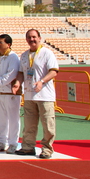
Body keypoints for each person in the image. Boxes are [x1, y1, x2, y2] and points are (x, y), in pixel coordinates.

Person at [16, 29, 59, 159]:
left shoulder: (47, 53)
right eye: (29, 37)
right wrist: (18, 83)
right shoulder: (24, 55)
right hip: (29, 95)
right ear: (26, 39)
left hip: (45, 95)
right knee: (29, 124)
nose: (32, 39)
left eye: (34, 37)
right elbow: (21, 72)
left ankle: (47, 149)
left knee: (48, 124)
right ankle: (28, 147)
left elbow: (54, 71)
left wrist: (42, 81)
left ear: (39, 38)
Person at [0, 34, 21, 154]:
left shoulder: (13, 57)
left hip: (11, 93)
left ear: (8, 44)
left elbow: (11, 74)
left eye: (1, 42)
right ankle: (1, 142)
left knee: (13, 120)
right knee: (1, 119)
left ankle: (13, 143)